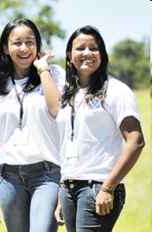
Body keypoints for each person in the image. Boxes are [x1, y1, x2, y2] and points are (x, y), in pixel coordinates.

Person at [54, 25, 145, 232]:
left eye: (93, 48)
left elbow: (136, 141)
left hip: (97, 187)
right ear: (69, 56)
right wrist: (64, 191)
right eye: (80, 48)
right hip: (69, 186)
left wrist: (108, 187)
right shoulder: (70, 94)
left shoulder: (116, 91)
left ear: (102, 54)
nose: (87, 53)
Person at [0, 18, 65, 232]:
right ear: (6, 48)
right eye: (17, 43)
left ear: (38, 45)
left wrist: (43, 69)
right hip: (9, 178)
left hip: (47, 174)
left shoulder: (54, 74)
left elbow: (57, 111)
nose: (24, 48)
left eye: (30, 42)